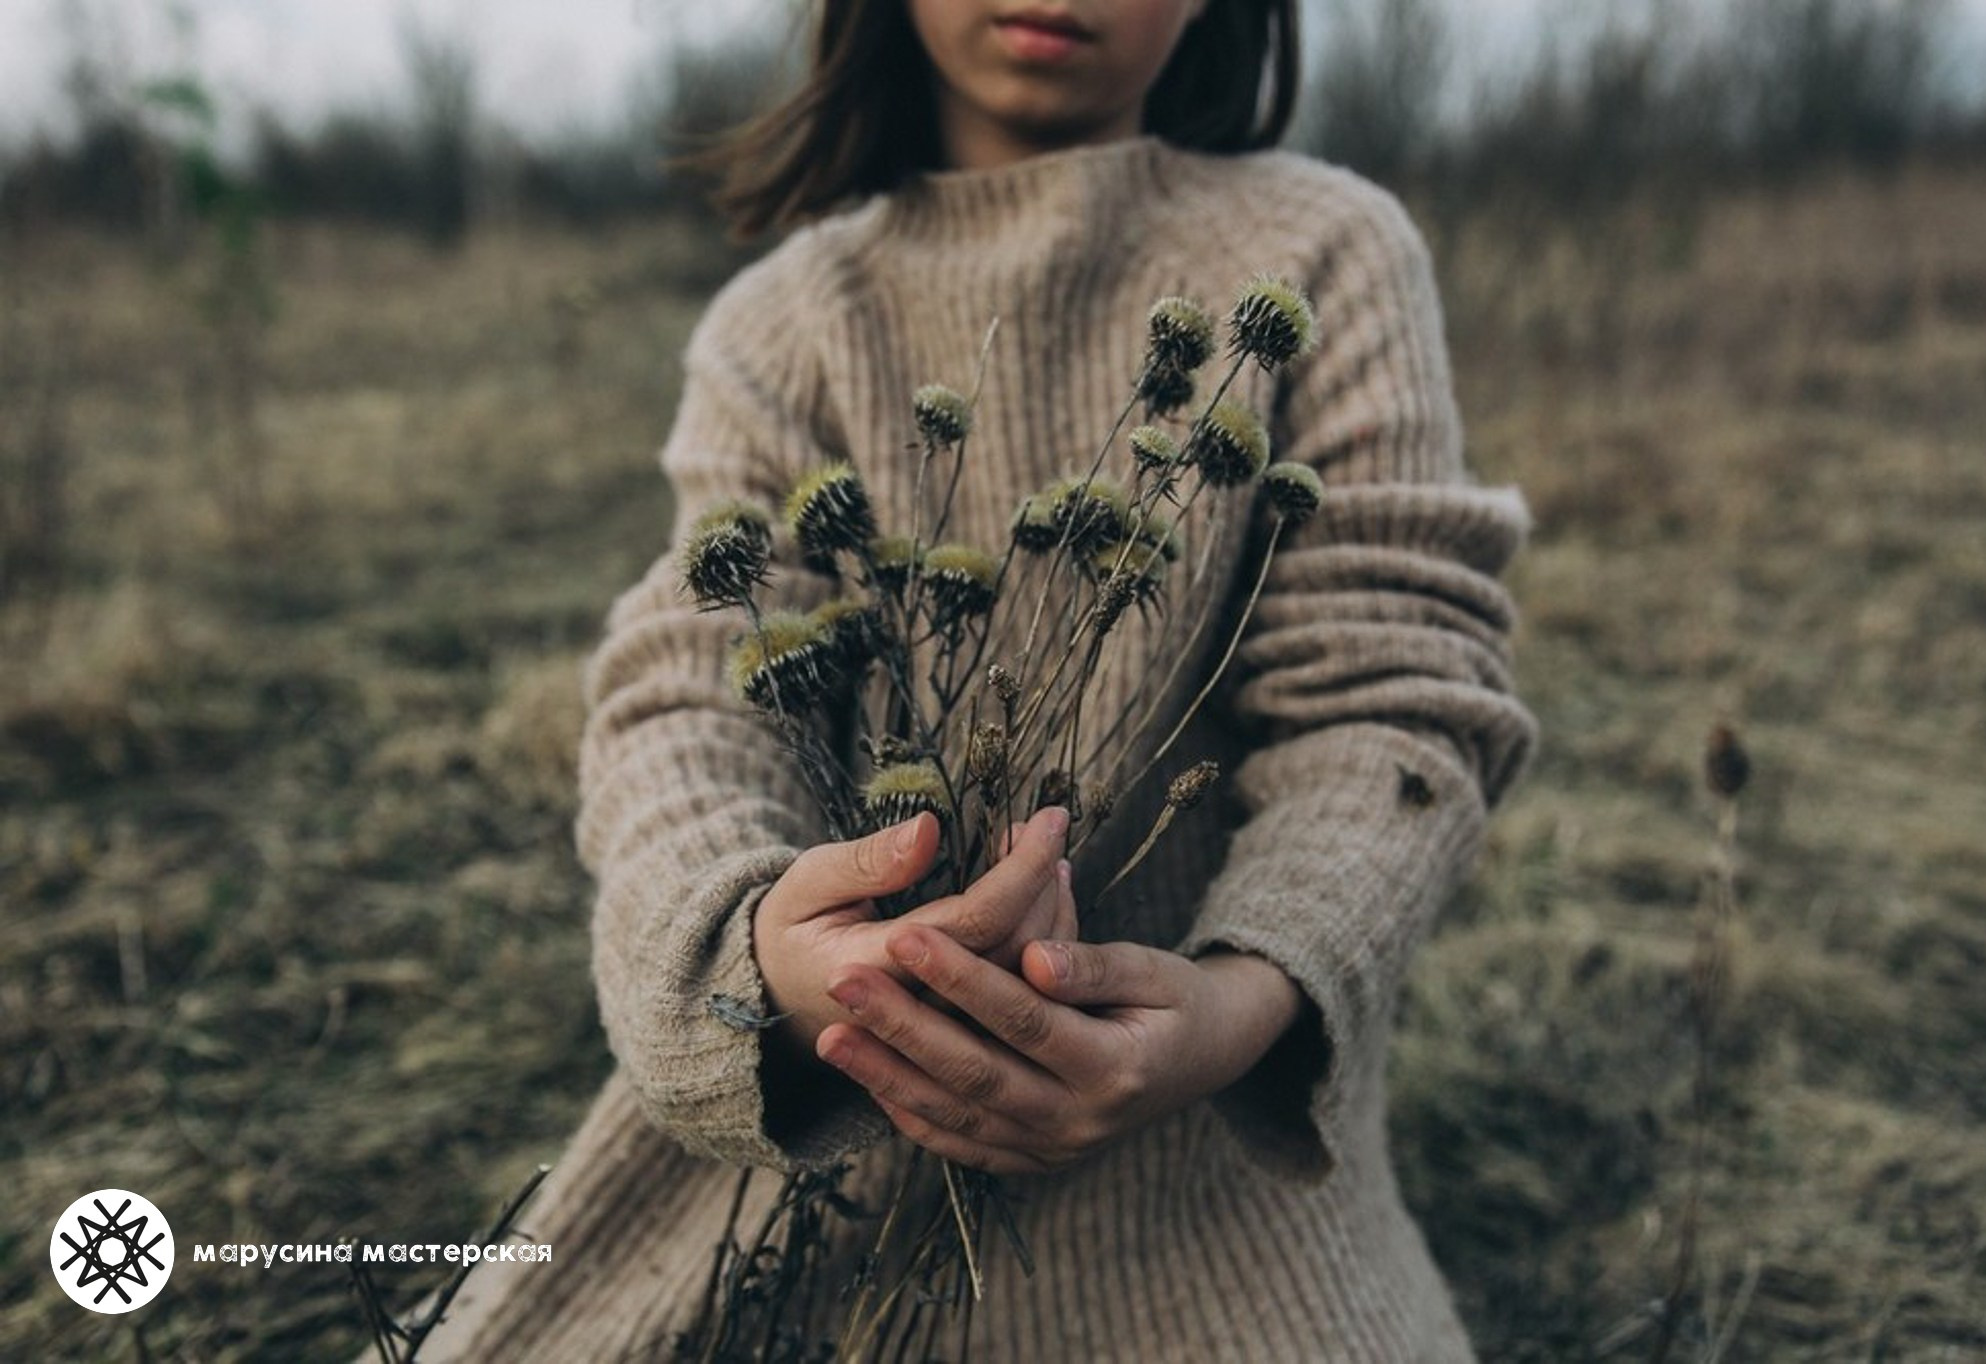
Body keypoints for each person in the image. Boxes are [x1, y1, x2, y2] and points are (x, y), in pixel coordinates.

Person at [409, 1, 1535, 1358]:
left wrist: (1232, 1010)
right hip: (815, 1151)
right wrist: (758, 953)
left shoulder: (1331, 251)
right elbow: (694, 696)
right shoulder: (789, 321)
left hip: (1212, 1188)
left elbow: (1392, 697)